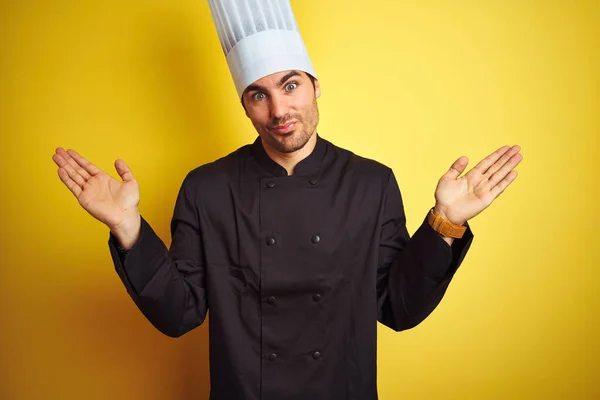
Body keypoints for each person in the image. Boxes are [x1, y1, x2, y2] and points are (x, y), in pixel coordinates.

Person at [52, 1, 523, 399]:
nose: (279, 110)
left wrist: (444, 223)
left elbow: (398, 309)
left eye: (291, 85)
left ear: (316, 86)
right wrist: (128, 229)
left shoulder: (371, 183)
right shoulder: (207, 188)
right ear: (244, 104)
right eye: (258, 95)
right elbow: (181, 313)